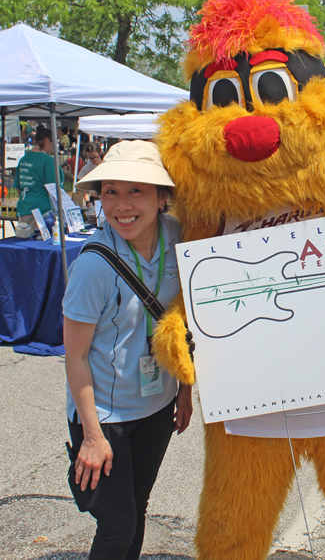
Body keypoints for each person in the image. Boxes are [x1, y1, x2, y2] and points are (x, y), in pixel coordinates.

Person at [63, 140, 193, 560]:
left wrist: (186, 390)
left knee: (137, 510)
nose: (121, 205)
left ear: (162, 197)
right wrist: (91, 436)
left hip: (157, 407)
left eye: (136, 190)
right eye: (110, 191)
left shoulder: (179, 238)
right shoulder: (92, 265)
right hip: (105, 417)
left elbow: (186, 321)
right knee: (117, 526)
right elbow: (76, 357)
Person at [14, 127, 64, 229]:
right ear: (47, 141)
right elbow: (55, 189)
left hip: (24, 209)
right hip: (42, 212)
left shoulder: (24, 159)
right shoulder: (48, 160)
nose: (55, 147)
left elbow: (18, 187)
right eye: (55, 143)